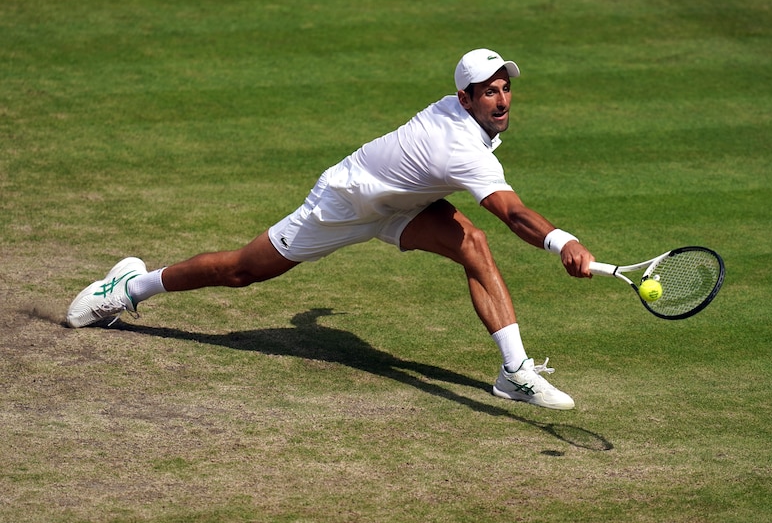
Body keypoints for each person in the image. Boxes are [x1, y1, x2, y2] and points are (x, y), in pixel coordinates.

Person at [67, 48, 596, 410]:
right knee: (241, 272)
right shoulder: (460, 147)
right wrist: (561, 240)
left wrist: (313, 320)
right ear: (464, 99)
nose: (502, 101)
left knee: (472, 245)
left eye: (505, 89)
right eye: (489, 93)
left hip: (404, 203)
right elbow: (514, 213)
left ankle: (514, 372)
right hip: (344, 202)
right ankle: (128, 287)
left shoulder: (464, 119)